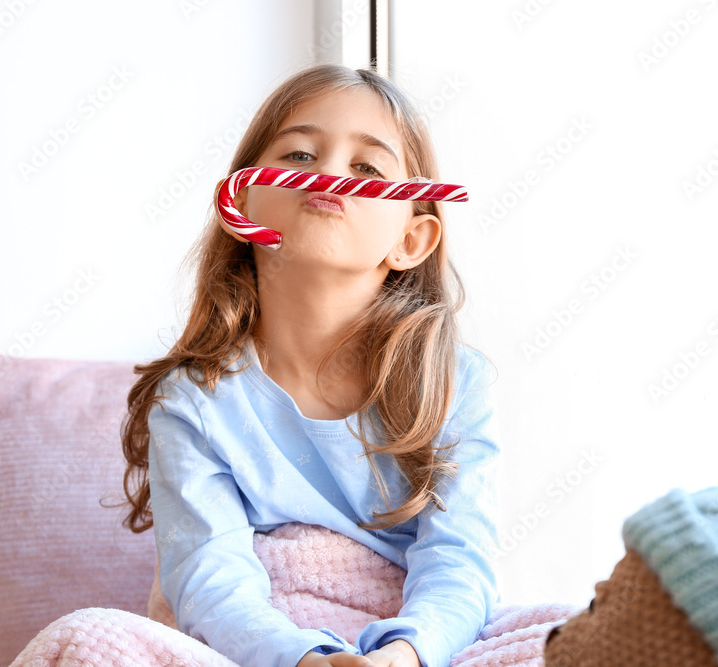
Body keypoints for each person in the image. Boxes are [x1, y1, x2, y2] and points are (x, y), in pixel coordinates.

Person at [119, 63, 502, 667]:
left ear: (411, 240)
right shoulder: (192, 400)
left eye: (367, 168)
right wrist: (305, 660)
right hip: (256, 645)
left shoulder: (454, 383)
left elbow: (461, 563)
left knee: (564, 635)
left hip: (412, 641)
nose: (328, 175)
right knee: (88, 638)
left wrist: (402, 656)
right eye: (299, 154)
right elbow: (209, 578)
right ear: (240, 200)